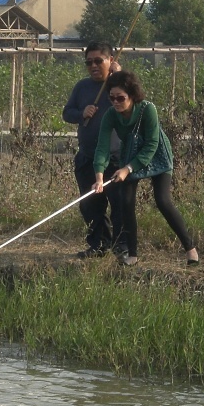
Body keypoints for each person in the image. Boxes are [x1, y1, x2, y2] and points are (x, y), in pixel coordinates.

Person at [92, 70, 200, 267]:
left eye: (121, 98)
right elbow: (102, 147)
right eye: (112, 98)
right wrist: (99, 177)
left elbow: (151, 144)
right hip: (130, 155)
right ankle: (132, 254)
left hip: (156, 154)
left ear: (132, 96)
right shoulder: (110, 115)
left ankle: (190, 249)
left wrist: (127, 169)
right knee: (125, 202)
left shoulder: (148, 109)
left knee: (163, 200)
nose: (116, 102)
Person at [62, 42, 123, 258]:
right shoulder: (82, 87)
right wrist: (81, 113)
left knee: (119, 205)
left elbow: (136, 103)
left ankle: (122, 248)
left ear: (111, 61)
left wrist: (121, 76)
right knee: (90, 206)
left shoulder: (119, 85)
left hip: (115, 159)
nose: (93, 66)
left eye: (99, 61)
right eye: (89, 62)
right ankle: (98, 245)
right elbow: (67, 113)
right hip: (87, 157)